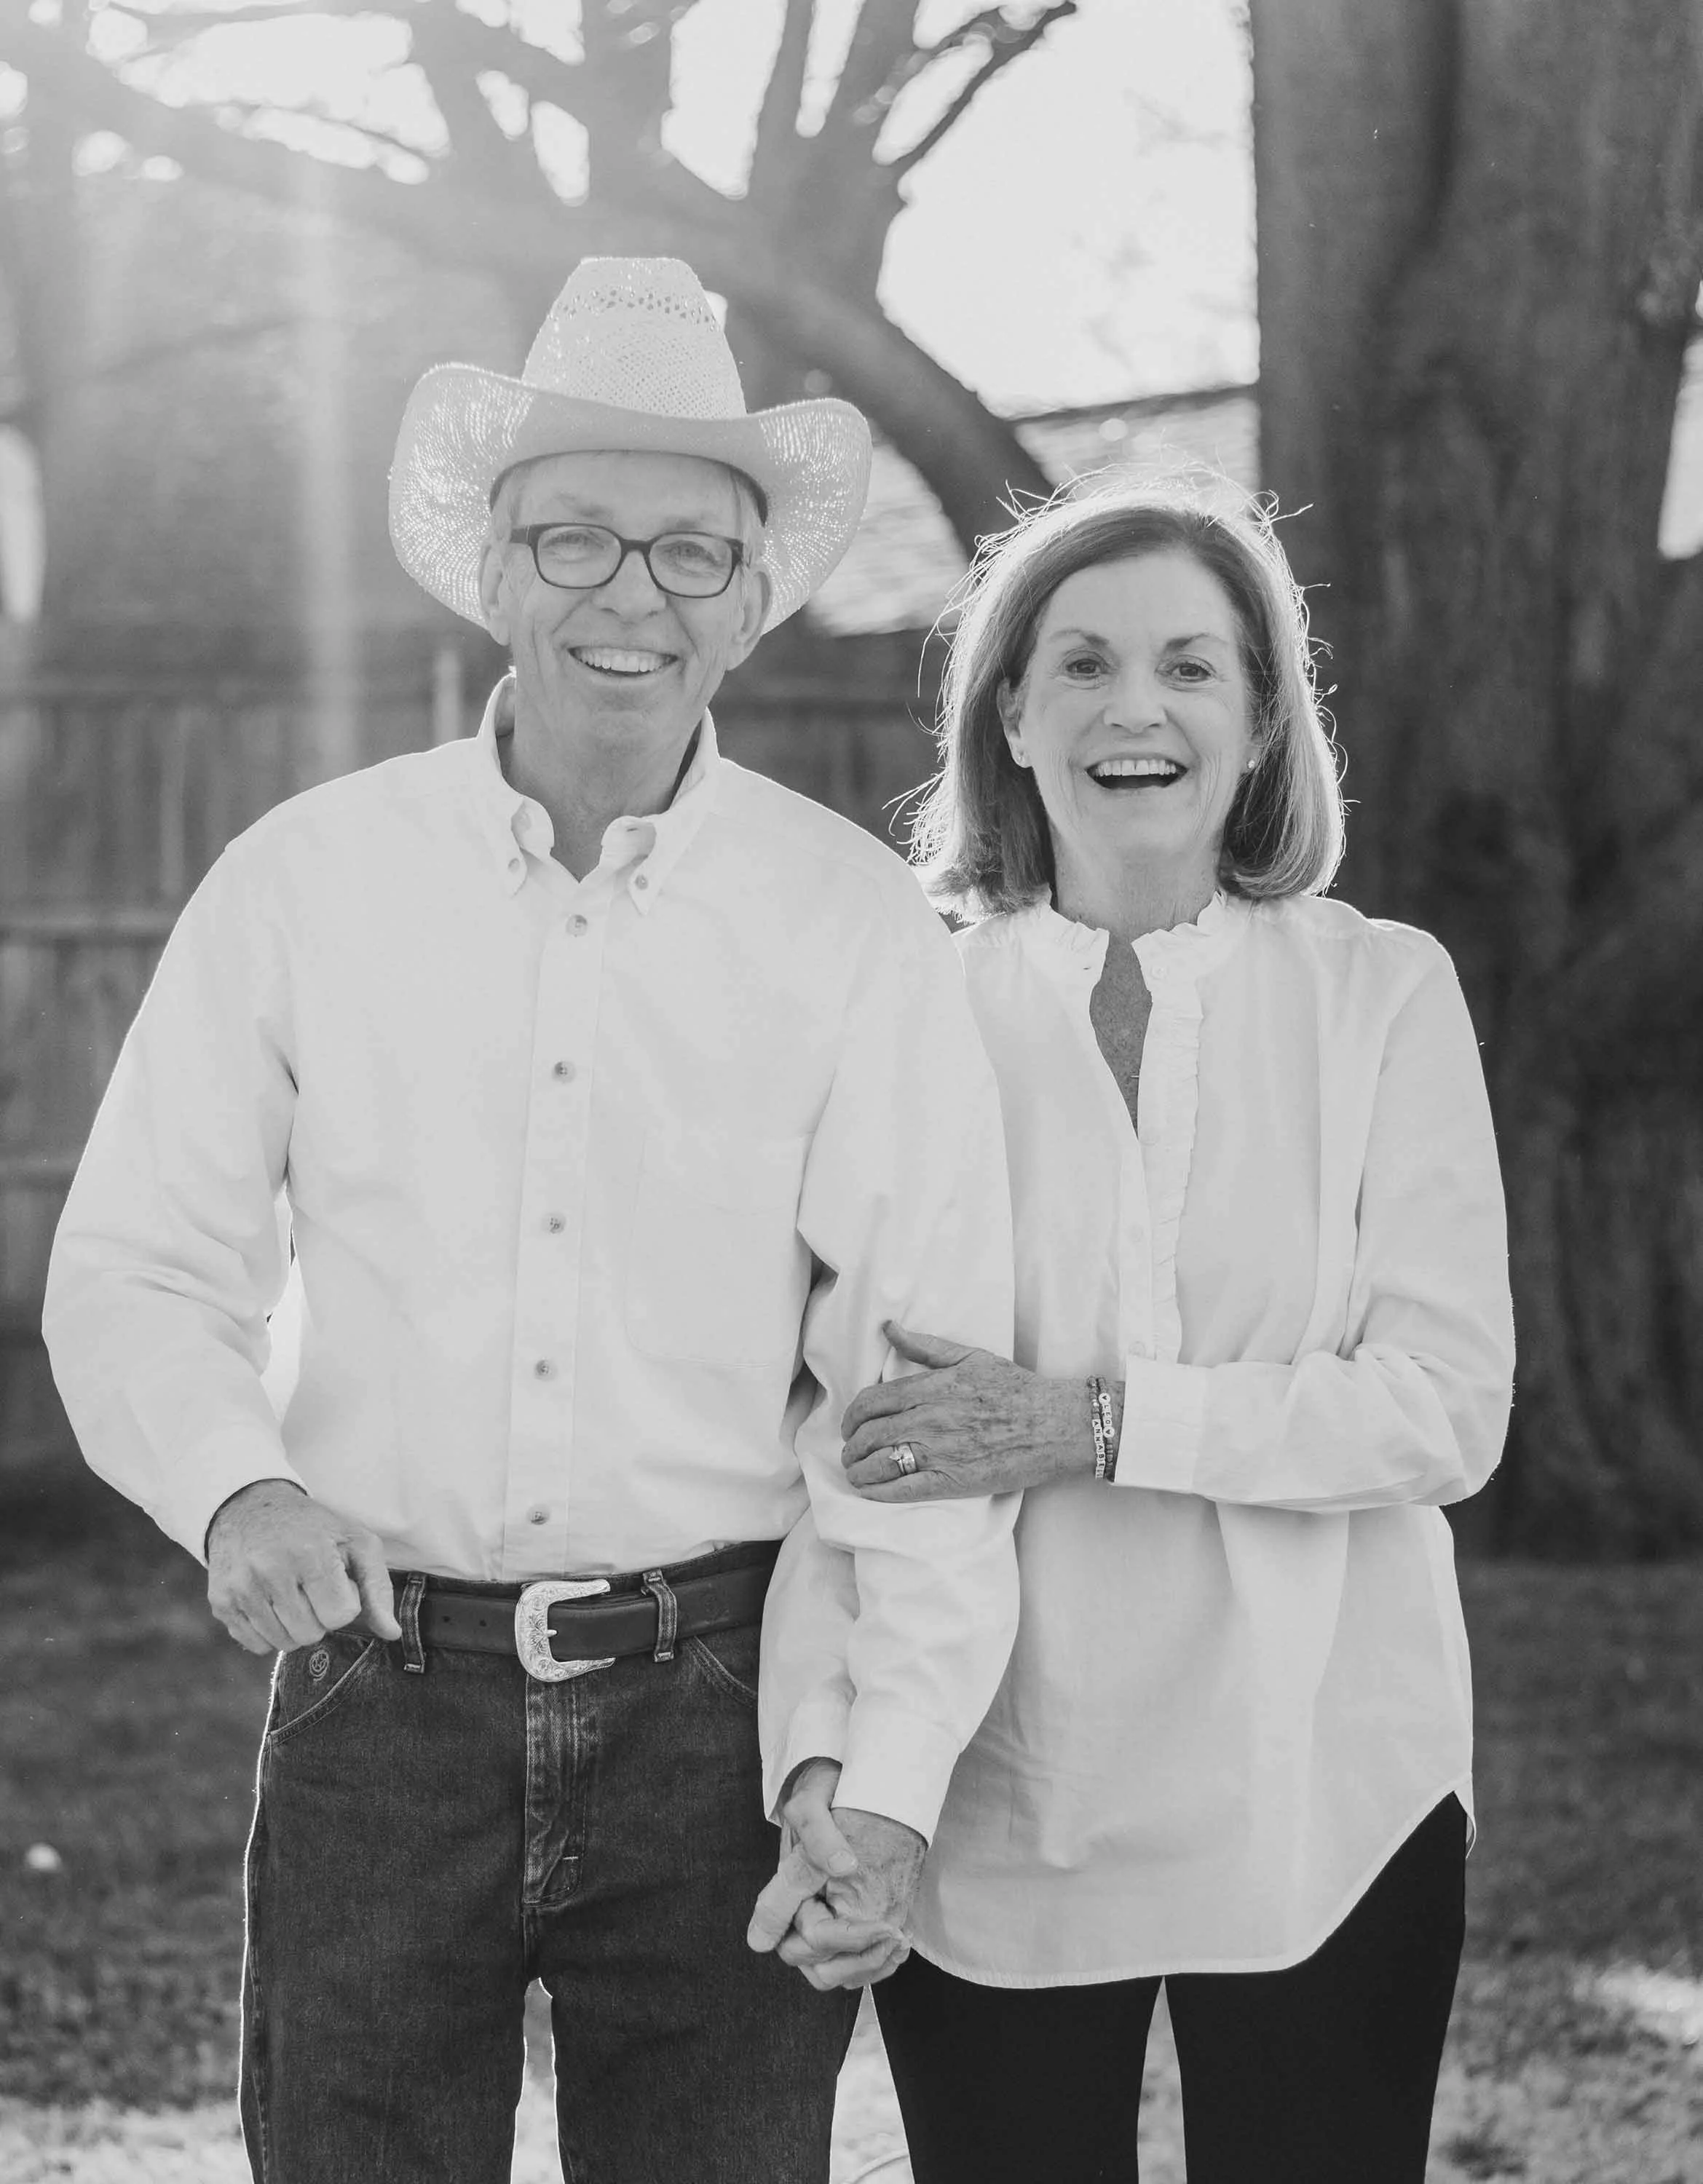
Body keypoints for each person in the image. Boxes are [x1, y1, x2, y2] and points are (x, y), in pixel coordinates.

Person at [42, 256, 1022, 2184]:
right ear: (490, 569)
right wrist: (236, 1490)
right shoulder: (306, 886)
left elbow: (914, 1397)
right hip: (375, 1705)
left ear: (752, 599)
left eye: (685, 553)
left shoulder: (846, 930)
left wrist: (882, 1775)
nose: (626, 595)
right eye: (573, 537)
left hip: (728, 1720)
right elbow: (140, 1270)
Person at [751, 483, 1516, 2183]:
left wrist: (1088, 1425)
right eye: (1079, 663)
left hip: (1325, 1777)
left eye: (1189, 665)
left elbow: (1440, 1410)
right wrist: (830, 1760)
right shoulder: (903, 1015)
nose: (1133, 709)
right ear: (1007, 714)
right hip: (999, 1780)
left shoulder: (1381, 991)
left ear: (1258, 724)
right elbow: (846, 1453)